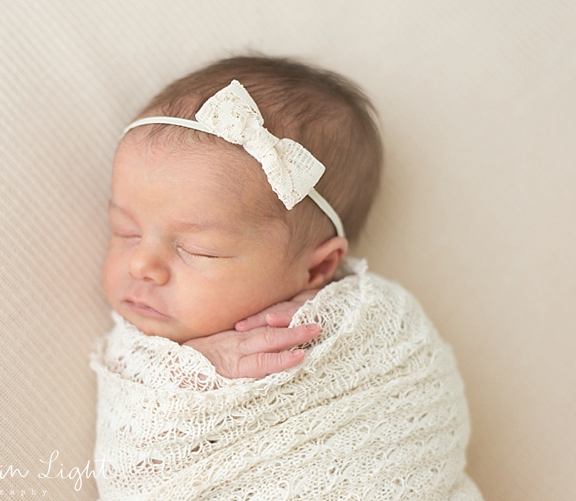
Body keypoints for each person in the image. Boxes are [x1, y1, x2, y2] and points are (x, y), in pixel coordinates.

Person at [92, 56, 483, 500]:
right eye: (125, 232)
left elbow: (422, 403)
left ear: (317, 269)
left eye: (198, 249)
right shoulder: (139, 354)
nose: (142, 264)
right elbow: (131, 476)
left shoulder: (377, 325)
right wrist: (200, 373)